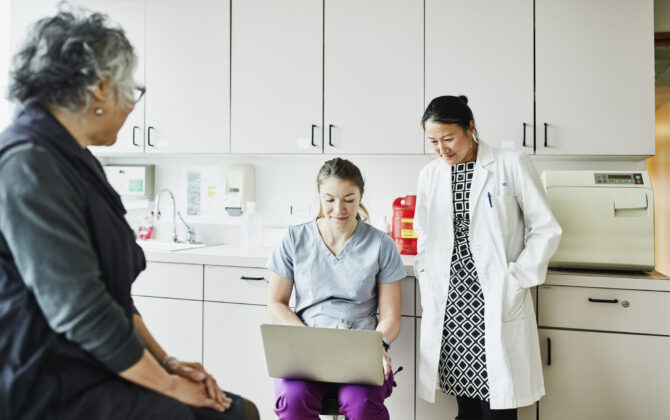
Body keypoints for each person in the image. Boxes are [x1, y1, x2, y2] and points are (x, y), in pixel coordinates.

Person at [0, 8, 258, 420]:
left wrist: (168, 362)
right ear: (100, 88)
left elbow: (112, 297)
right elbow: (82, 309)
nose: (132, 106)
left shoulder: (76, 160)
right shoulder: (28, 163)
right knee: (225, 415)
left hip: (89, 362)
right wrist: (170, 386)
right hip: (46, 379)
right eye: (131, 90)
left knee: (237, 410)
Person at [413, 95, 562, 420]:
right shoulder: (430, 175)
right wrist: (427, 274)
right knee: (466, 408)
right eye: (433, 141)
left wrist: (518, 277)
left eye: (448, 138)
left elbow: (545, 228)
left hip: (496, 297)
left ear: (471, 127)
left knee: (499, 409)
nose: (442, 149)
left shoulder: (511, 163)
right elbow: (423, 232)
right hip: (453, 306)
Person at [266, 157, 406, 420]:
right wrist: (305, 339)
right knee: (293, 402)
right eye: (329, 199)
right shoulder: (294, 239)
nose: (338, 209)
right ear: (319, 196)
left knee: (362, 405)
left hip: (360, 352)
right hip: (305, 350)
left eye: (349, 199)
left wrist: (378, 345)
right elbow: (276, 303)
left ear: (361, 196)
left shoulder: (381, 245)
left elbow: (391, 316)